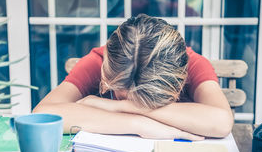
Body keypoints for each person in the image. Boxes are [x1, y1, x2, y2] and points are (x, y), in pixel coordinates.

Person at [33, 14, 233, 140]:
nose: (130, 101)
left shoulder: (193, 64)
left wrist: (120, 106)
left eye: (146, 101)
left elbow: (222, 122)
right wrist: (137, 124)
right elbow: (42, 115)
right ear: (105, 71)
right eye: (123, 95)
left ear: (178, 81)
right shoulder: (98, 62)